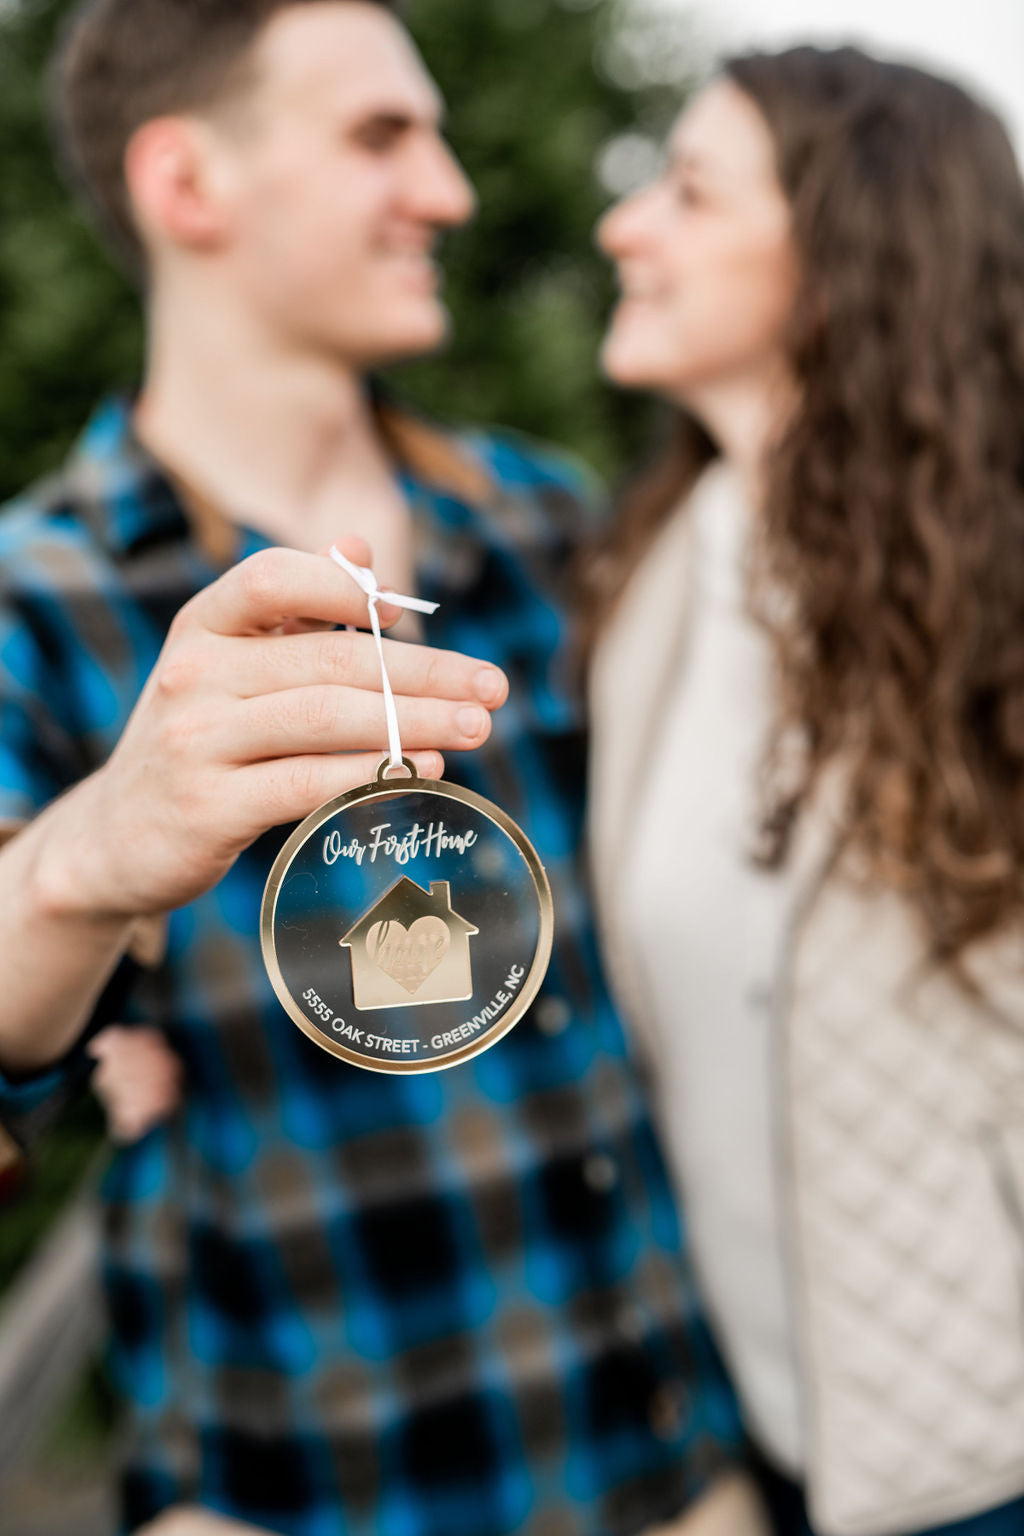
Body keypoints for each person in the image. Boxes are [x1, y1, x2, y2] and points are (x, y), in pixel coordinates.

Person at [0, 2, 755, 1534]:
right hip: (307, 1490)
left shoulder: (545, 524)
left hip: (675, 1463)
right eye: (378, 137)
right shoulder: (40, 592)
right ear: (189, 188)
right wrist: (80, 870)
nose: (451, 192)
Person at [587, 42, 1024, 1536]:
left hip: (984, 1451)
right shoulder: (658, 577)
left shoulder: (997, 598)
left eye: (690, 194)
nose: (622, 229)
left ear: (844, 259)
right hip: (771, 1445)